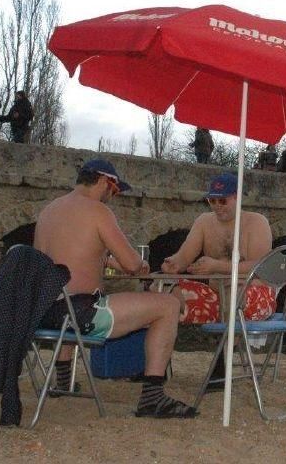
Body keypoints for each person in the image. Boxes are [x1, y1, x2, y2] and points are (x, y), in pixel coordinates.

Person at [33, 159, 196, 418]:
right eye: (115, 189)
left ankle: (63, 383)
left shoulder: (49, 212)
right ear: (103, 181)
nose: (113, 196)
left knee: (71, 303)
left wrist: (105, 260)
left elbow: (55, 263)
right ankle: (153, 398)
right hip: (81, 314)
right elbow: (132, 264)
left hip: (46, 313)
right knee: (168, 305)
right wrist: (141, 264)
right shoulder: (98, 211)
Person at [162, 173, 274, 386]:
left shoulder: (257, 222)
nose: (217, 206)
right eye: (212, 200)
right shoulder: (204, 222)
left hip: (254, 295)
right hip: (217, 295)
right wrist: (173, 264)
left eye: (222, 200)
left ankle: (222, 364)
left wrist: (216, 266)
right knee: (166, 296)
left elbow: (261, 267)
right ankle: (156, 368)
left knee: (233, 294)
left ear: (237, 198)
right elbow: (184, 257)